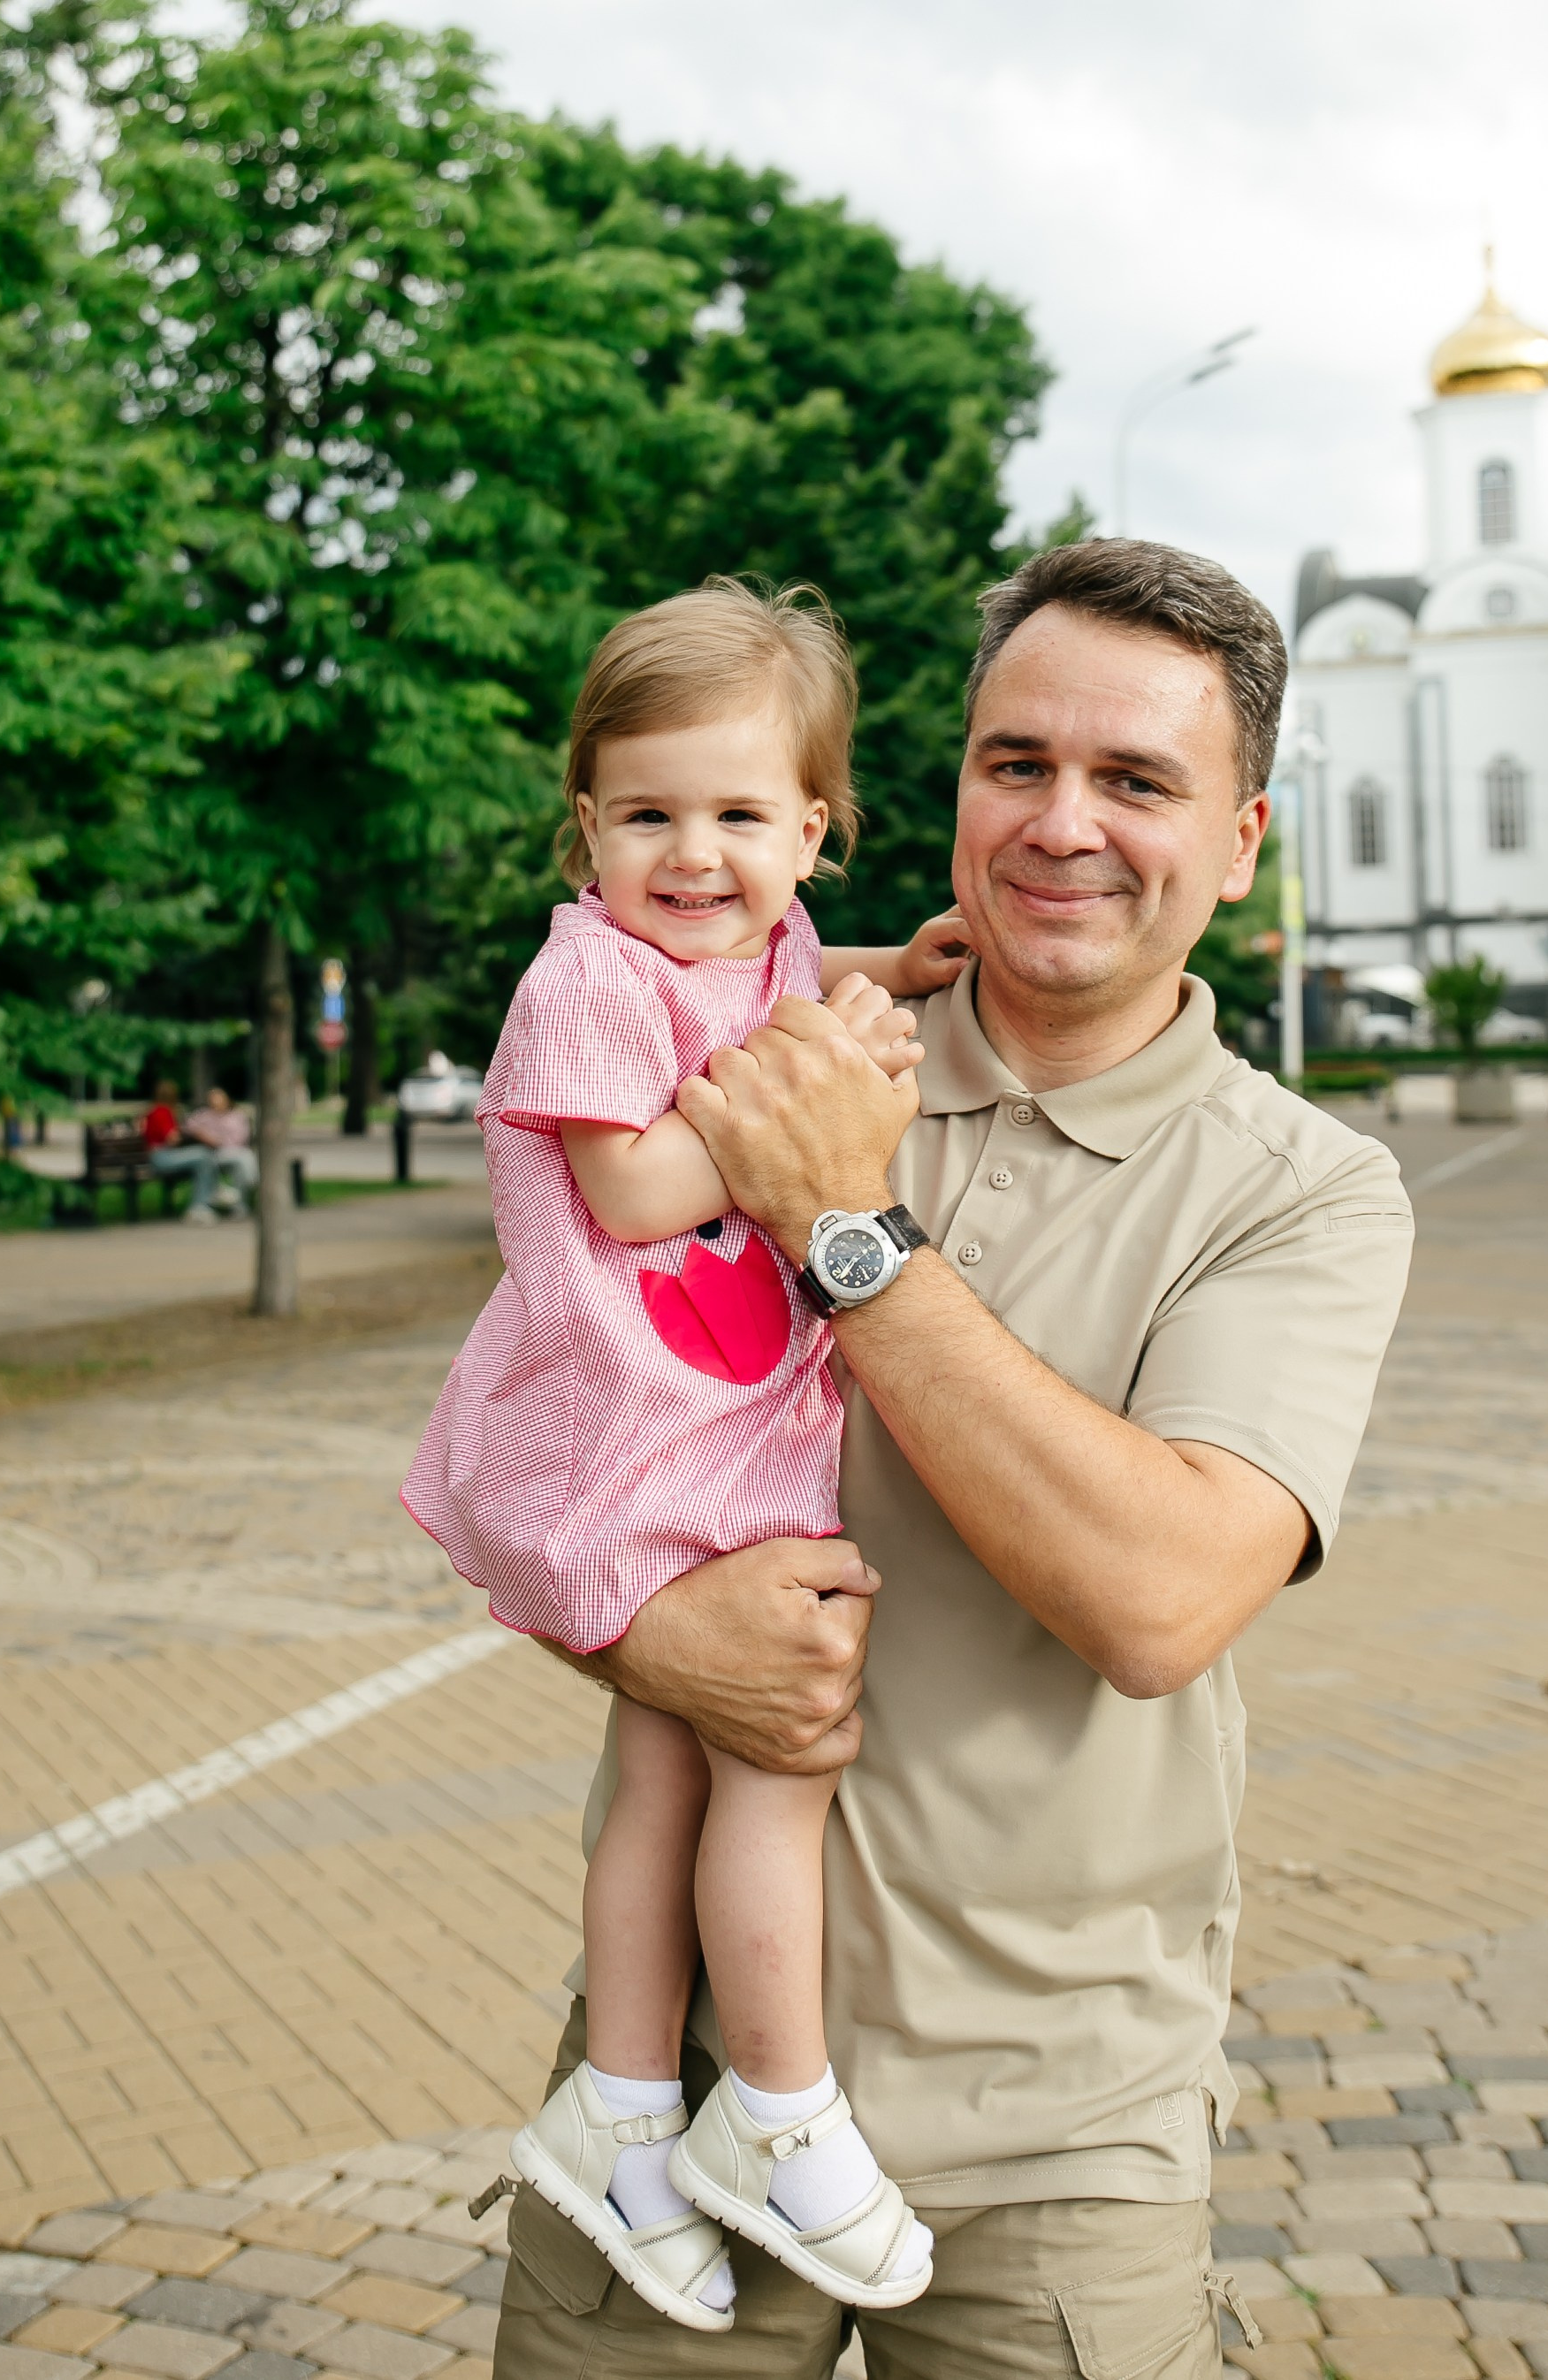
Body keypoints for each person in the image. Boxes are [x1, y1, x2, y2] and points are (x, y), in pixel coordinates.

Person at [492, 538, 1415, 2380]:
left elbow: (1156, 1604)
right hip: (676, 2103)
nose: (1061, 824)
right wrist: (643, 1641)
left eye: (1135, 780)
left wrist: (845, 1226)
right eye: (1016, 764)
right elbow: (543, 1448)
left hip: (1055, 2130)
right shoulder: (757, 1058)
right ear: (948, 793)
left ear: (1237, 842)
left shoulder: (1301, 1194)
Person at [403, 583, 966, 2333]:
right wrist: (821, 1084)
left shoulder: (771, 954)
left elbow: (780, 983)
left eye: (739, 816)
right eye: (646, 814)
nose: (694, 854)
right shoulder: (587, 977)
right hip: (650, 1443)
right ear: (585, 826)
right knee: (780, 1757)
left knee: (666, 1785)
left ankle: (630, 2115)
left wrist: (884, 975)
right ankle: (778, 2119)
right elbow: (639, 1186)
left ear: (812, 828)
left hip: (708, 1433)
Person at [153, 1086, 258, 1223]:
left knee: (238, 1159)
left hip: (231, 1151)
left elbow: (240, 1139)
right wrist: (201, 1136)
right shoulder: (170, 1112)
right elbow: (174, 1136)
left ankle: (232, 1199)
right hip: (172, 1156)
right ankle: (212, 1195)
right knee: (205, 1157)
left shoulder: (237, 1116)